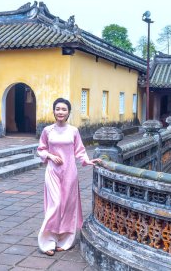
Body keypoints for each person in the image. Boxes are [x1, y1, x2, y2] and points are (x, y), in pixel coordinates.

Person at [37, 97, 101, 256]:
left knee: (68, 206)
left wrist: (87, 160)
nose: (60, 112)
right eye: (57, 109)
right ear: (53, 111)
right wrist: (50, 156)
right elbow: (41, 149)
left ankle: (65, 240)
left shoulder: (73, 131)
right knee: (55, 204)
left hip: (70, 172)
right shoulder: (47, 130)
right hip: (52, 171)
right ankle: (48, 241)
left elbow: (79, 150)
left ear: (68, 112)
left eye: (64, 109)